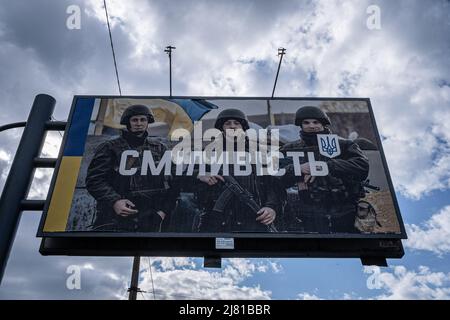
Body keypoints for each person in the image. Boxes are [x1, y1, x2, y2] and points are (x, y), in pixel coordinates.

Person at [86, 104, 177, 232]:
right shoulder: (110, 147)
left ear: (147, 122)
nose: (139, 123)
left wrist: (162, 211)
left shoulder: (159, 148)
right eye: (134, 120)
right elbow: (94, 180)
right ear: (128, 122)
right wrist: (115, 201)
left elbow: (175, 179)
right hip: (116, 217)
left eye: (143, 119)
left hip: (151, 217)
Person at [279, 106, 369, 233]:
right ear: (300, 125)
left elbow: (362, 166)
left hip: (346, 208)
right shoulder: (290, 148)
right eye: (306, 122)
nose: (311, 126)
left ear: (323, 123)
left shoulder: (343, 144)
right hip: (309, 211)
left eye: (316, 122)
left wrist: (325, 166)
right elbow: (274, 173)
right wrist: (297, 169)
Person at [195, 108, 279, 233]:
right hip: (218, 219)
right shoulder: (209, 151)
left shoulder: (258, 151)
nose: (232, 126)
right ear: (222, 128)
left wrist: (271, 207)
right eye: (228, 123)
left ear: (243, 127)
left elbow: (273, 184)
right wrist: (200, 175)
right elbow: (182, 177)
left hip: (253, 215)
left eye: (236, 123)